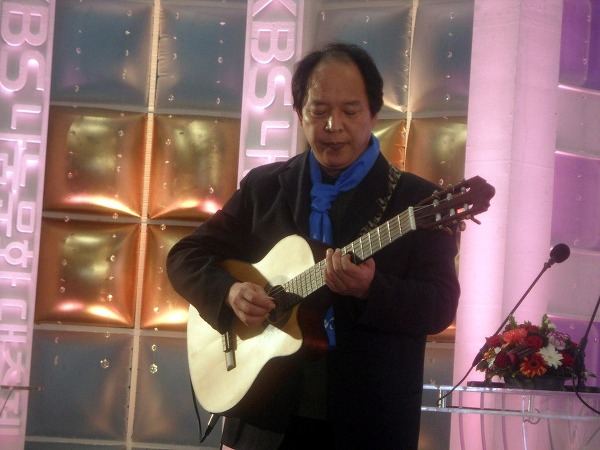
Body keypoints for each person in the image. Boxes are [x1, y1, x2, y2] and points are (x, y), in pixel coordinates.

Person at [167, 42, 460, 450]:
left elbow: (440, 305)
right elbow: (184, 256)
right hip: (262, 420)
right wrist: (229, 293)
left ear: (374, 113)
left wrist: (371, 289)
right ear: (299, 114)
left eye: (350, 111)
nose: (333, 125)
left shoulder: (419, 202)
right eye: (318, 111)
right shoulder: (266, 187)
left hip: (368, 422)